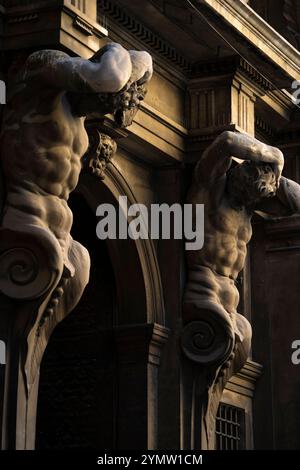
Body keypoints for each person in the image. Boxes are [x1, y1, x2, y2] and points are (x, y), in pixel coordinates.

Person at [0, 43, 152, 306]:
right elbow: (108, 77)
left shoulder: (77, 115)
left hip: (62, 236)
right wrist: (115, 48)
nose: (98, 109)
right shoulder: (44, 75)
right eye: (102, 98)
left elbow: (133, 67)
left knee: (81, 262)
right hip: (24, 219)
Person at [184, 131, 300, 362]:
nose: (242, 198)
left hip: (232, 303)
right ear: (238, 174)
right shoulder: (211, 187)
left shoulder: (248, 205)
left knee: (238, 356)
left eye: (251, 197)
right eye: (242, 190)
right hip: (203, 290)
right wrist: (274, 155)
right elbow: (227, 141)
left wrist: (276, 177)